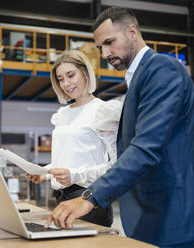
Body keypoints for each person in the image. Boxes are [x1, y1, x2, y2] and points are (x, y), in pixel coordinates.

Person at [45, 7, 194, 248]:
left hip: (171, 213)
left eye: (110, 42)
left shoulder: (162, 70)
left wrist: (89, 197)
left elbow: (145, 148)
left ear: (132, 32)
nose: (106, 53)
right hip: (149, 213)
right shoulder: (137, 80)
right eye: (101, 47)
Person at [27, 50, 123, 227]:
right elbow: (69, 160)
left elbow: (116, 166)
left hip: (88, 202)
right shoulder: (62, 114)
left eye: (71, 75)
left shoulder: (103, 111)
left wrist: (74, 175)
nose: (66, 84)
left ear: (85, 72)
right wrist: (45, 173)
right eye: (61, 79)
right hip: (62, 200)